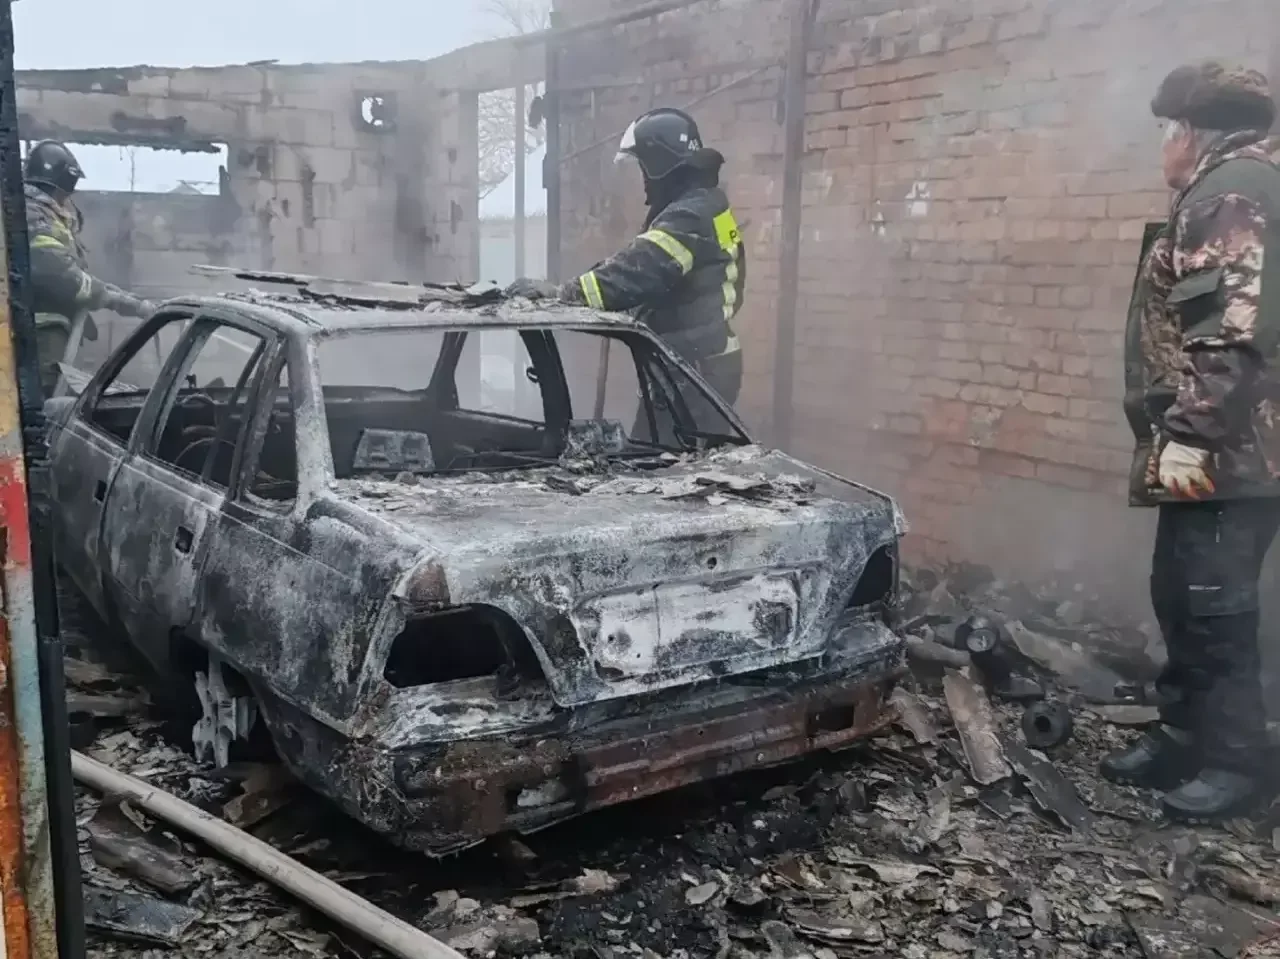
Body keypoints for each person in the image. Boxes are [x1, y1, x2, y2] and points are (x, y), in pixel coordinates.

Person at [1109, 61, 1280, 820]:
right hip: (1233, 445)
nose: (1163, 149)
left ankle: (1236, 763)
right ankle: (1183, 732)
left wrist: (1190, 437)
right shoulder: (1245, 181)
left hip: (1234, 452)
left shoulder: (1228, 193)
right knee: (1179, 588)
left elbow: (1228, 336)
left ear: (1190, 131)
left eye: (1165, 132)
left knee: (1211, 604)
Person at [509, 108, 746, 409]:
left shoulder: (690, 215)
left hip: (694, 367)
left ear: (660, 163)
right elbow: (715, 285)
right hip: (704, 358)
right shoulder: (710, 206)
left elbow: (638, 271)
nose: (644, 179)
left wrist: (562, 295)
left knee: (666, 454)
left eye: (643, 167)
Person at [24, 140, 154, 396]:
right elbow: (65, 278)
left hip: (48, 326)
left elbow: (75, 275)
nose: (69, 199)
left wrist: (130, 300)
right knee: (48, 402)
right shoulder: (34, 216)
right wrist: (127, 304)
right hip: (41, 331)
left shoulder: (42, 212)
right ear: (59, 185)